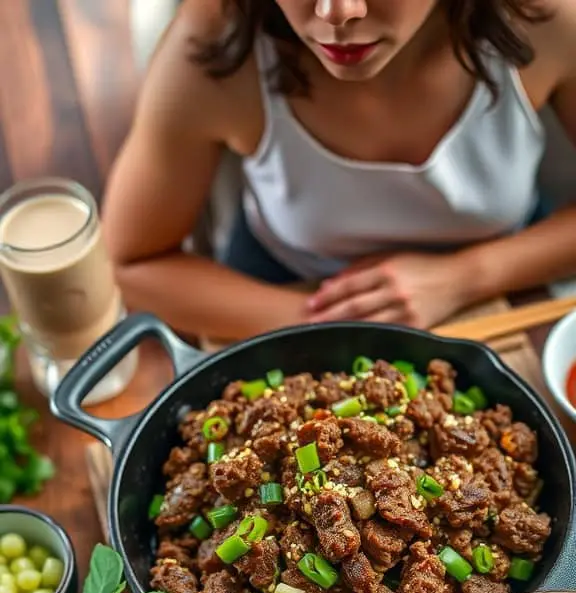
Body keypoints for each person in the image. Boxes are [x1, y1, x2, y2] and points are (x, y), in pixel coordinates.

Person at [103, 0, 576, 345]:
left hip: (512, 270)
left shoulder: (544, 16)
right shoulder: (216, 43)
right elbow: (128, 264)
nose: (336, 13)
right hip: (284, 285)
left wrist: (464, 277)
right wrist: (327, 324)